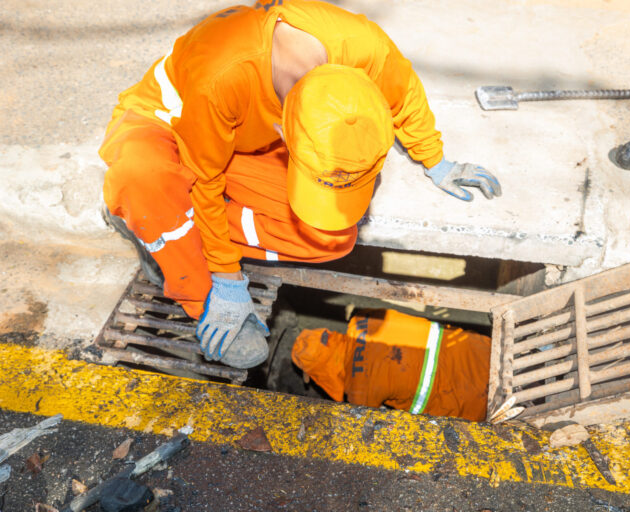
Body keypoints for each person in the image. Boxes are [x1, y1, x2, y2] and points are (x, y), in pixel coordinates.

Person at [99, 0, 501, 368]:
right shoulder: (219, 78)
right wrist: (225, 276)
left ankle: (170, 228)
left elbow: (404, 94)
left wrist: (436, 160)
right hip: (173, 128)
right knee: (144, 177)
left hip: (243, 141)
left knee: (330, 236)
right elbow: (205, 180)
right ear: (284, 133)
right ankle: (188, 275)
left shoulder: (365, 48)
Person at [292, 309, 491, 421]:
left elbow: (367, 428)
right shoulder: (362, 318)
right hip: (485, 349)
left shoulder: (359, 392)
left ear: (320, 372)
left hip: (479, 401)